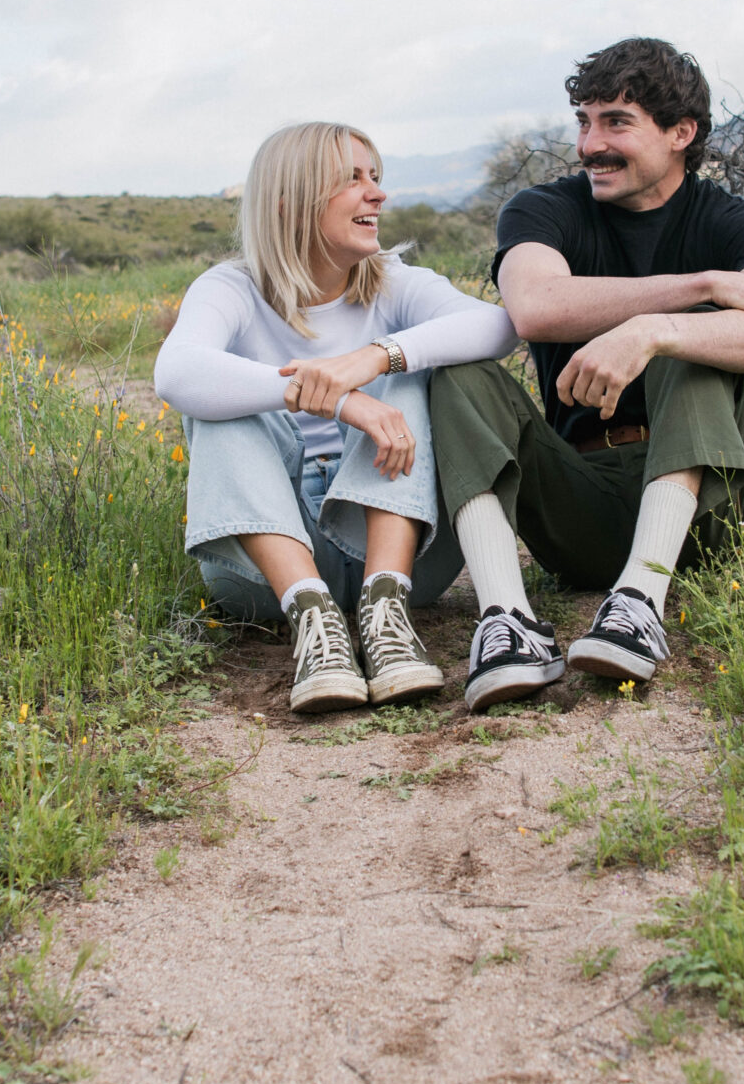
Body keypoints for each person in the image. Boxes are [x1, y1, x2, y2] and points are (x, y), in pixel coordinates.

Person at [431, 38, 744, 710]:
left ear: (680, 133)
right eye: (584, 120)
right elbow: (534, 305)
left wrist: (655, 331)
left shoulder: (738, 222)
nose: (589, 143)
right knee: (454, 372)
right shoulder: (544, 211)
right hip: (583, 504)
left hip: (712, 509)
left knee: (693, 336)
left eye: (616, 121)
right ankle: (507, 620)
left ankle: (640, 599)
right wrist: (705, 284)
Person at [155, 121, 518, 714]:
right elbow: (176, 374)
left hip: (407, 554)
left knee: (409, 368)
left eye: (376, 177)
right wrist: (342, 399)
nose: (377, 194)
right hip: (266, 573)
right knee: (220, 403)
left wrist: (373, 359)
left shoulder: (393, 284)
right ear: (289, 199)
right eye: (352, 179)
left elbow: (499, 326)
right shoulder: (232, 288)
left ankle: (385, 613)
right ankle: (314, 622)